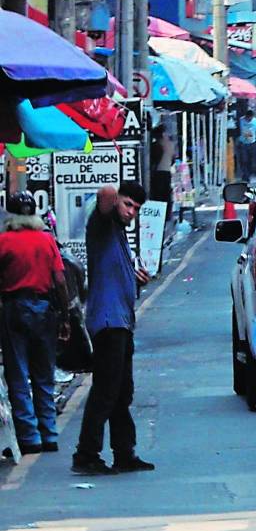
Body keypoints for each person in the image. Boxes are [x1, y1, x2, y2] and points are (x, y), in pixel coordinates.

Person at [72, 182, 155, 476]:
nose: (131, 212)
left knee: (122, 391)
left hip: (122, 321)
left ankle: (124, 452)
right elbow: (106, 192)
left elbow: (120, 280)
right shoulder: (101, 227)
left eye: (136, 209)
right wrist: (115, 198)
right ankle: (86, 454)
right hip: (107, 323)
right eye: (128, 204)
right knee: (106, 390)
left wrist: (138, 281)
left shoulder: (119, 236)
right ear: (117, 203)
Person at [0, 192, 70, 455]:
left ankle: (29, 438)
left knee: (18, 374)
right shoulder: (45, 239)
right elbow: (60, 281)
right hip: (44, 309)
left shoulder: (4, 241)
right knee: (44, 373)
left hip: (14, 308)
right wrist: (65, 317)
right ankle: (49, 433)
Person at [236, 109, 256, 181]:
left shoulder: (255, 121)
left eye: (251, 118)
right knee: (244, 160)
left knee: (251, 160)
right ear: (246, 116)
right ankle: (246, 175)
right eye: (248, 118)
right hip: (243, 144)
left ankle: (250, 173)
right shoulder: (241, 120)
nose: (249, 120)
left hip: (252, 143)